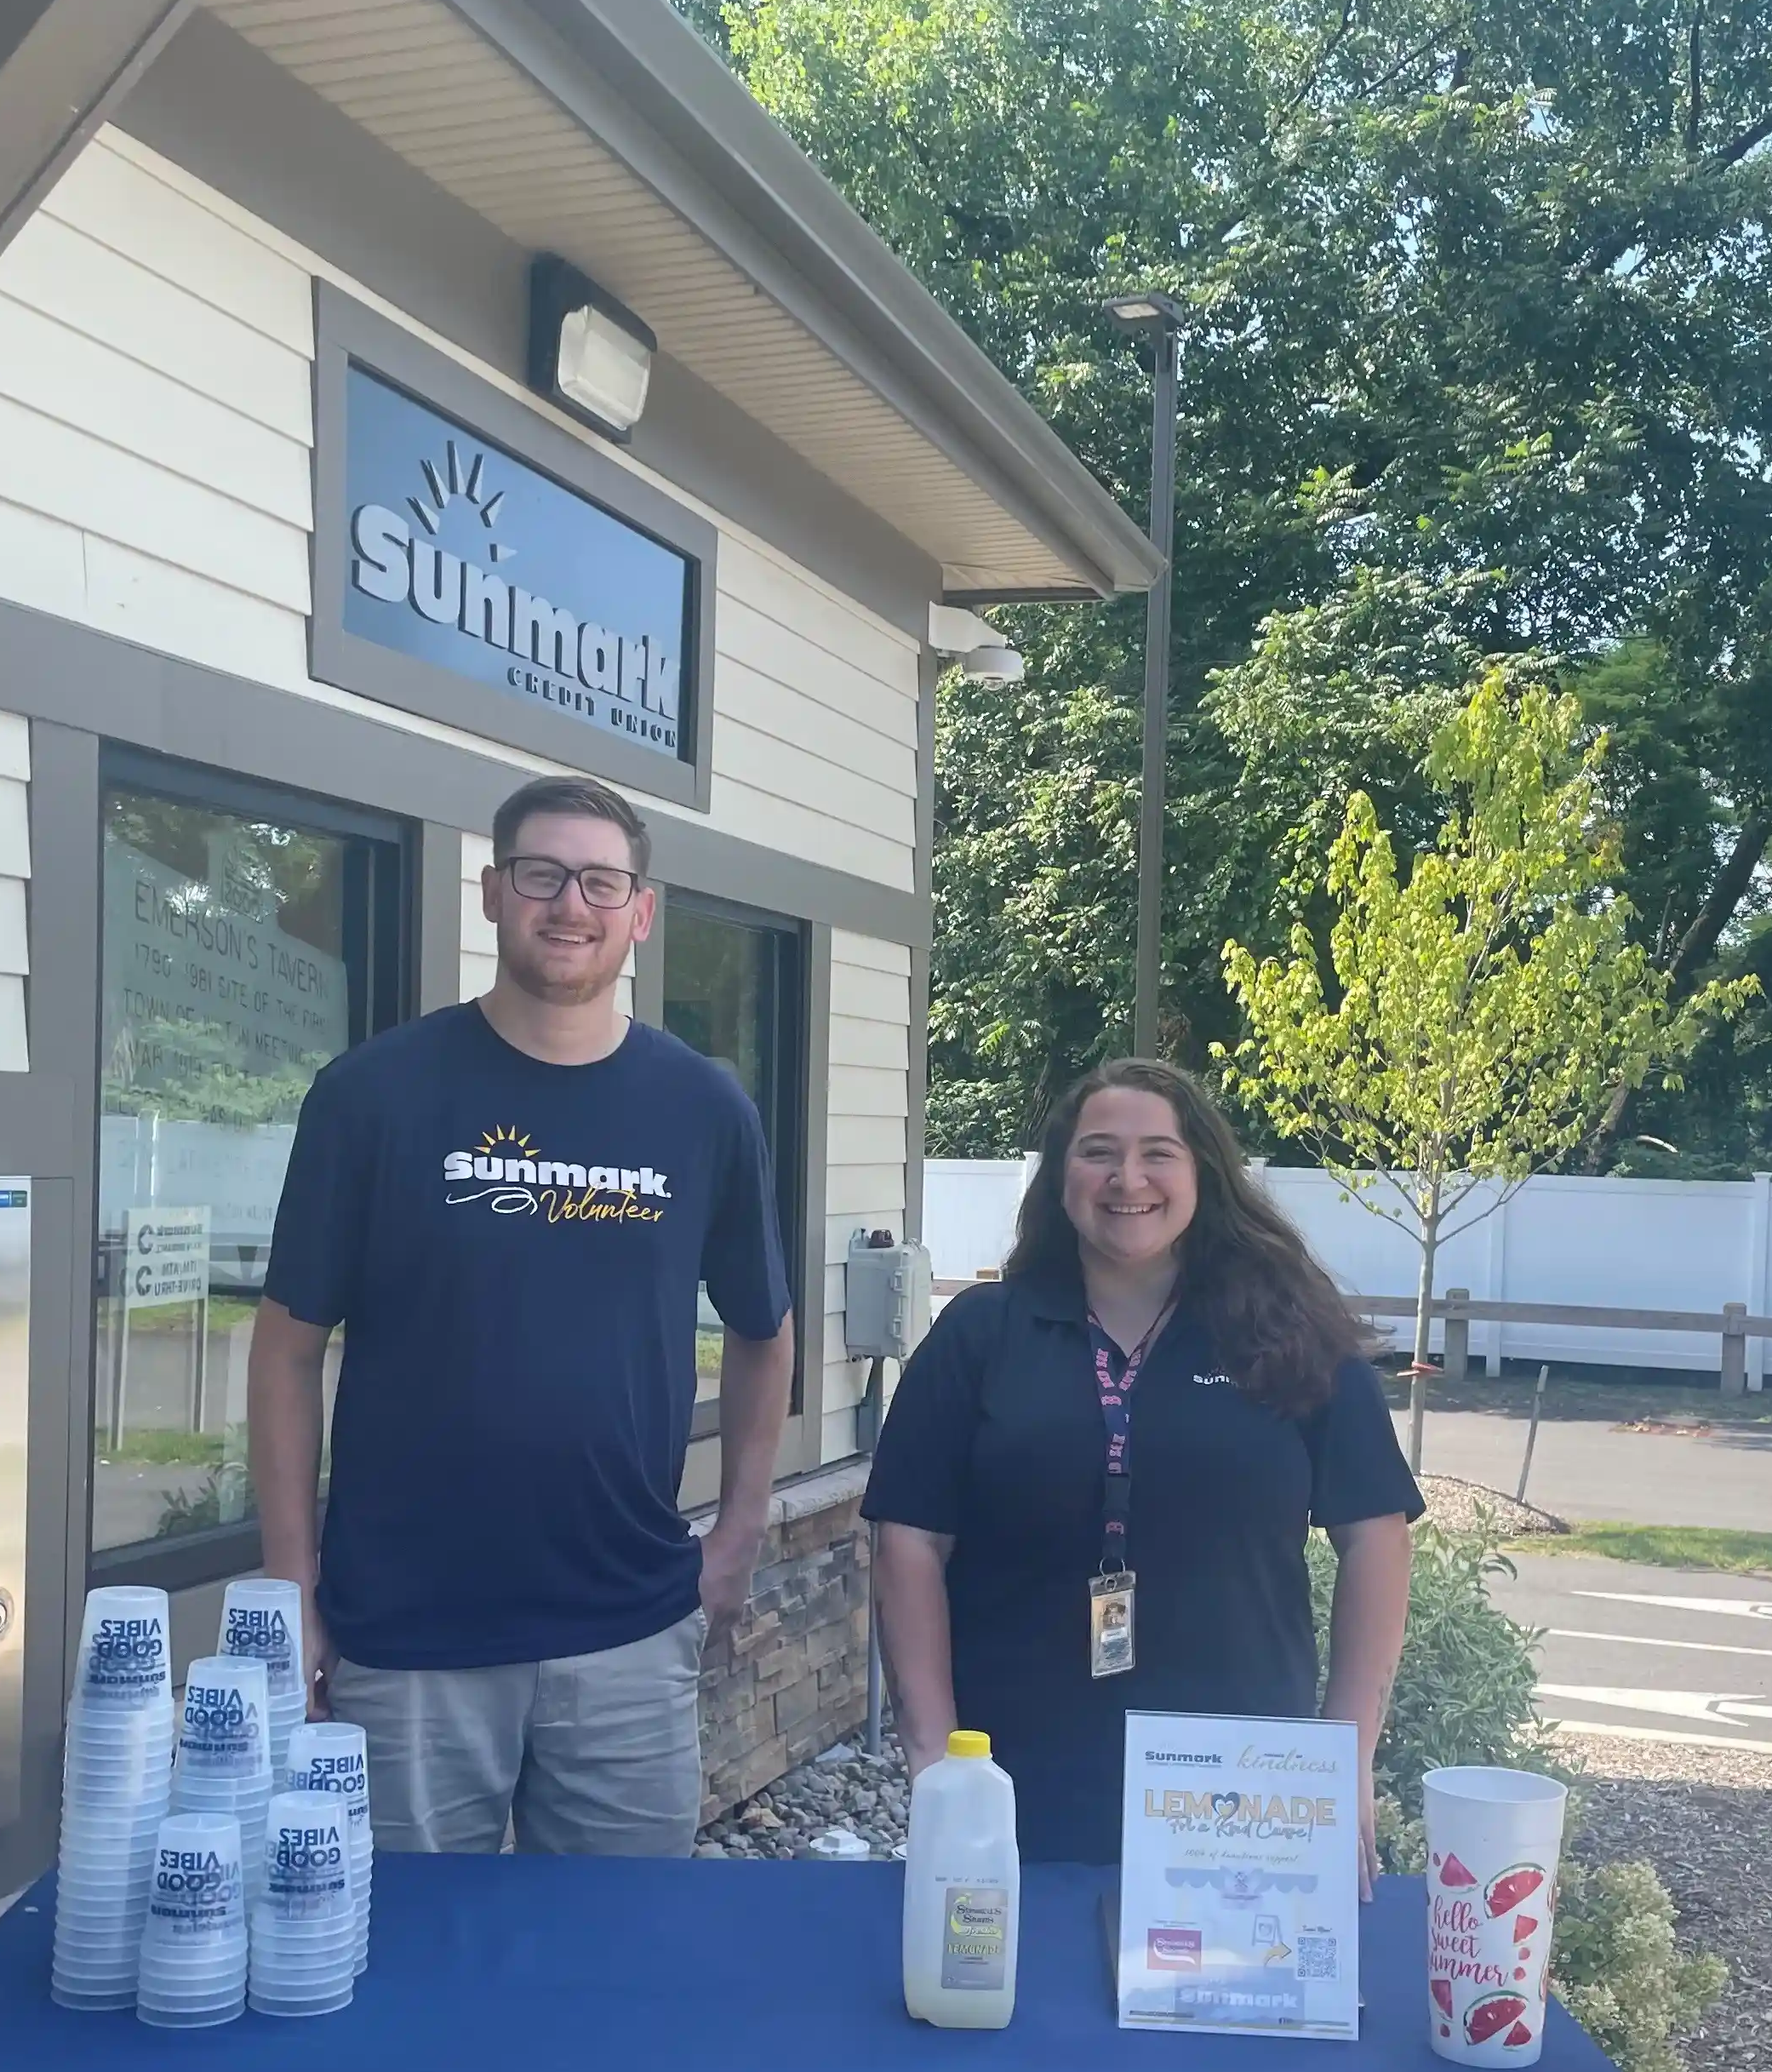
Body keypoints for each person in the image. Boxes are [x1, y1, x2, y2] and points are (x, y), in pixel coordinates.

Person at [246, 773, 794, 1856]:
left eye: (601, 881)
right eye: (542, 874)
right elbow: (286, 1350)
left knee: (613, 1972)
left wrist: (738, 1531)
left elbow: (765, 1335)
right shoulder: (373, 1097)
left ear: (641, 912)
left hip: (629, 1626)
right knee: (405, 1964)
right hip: (408, 1630)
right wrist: (289, 1582)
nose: (570, 904)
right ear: (493, 892)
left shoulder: (703, 1109)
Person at [863, 1059, 1420, 1869]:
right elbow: (909, 1542)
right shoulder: (981, 1336)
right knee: (1018, 1988)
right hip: (1018, 1770)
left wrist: (1345, 1755)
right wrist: (935, 1756)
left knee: (1227, 1990)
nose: (1129, 1179)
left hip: (1244, 1781)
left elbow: (1376, 1536)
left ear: (1203, 1173)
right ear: (1060, 1176)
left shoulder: (1288, 1334)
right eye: (1098, 1152)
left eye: (1159, 1152)